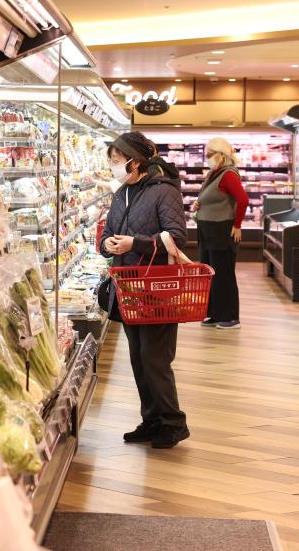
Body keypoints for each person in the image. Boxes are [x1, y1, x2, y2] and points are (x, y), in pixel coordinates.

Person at [100, 131, 190, 449]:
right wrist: (108, 244)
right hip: (129, 288)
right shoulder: (120, 194)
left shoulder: (164, 191)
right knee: (138, 357)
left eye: (116, 160)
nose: (113, 166)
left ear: (135, 162)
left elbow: (177, 237)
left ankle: (173, 423)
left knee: (155, 359)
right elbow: (108, 233)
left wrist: (134, 243)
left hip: (157, 288)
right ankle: (152, 420)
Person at [191, 137, 248, 330]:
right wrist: (200, 204)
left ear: (221, 155)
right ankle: (215, 314)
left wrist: (237, 225)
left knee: (223, 275)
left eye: (210, 154)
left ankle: (230, 317)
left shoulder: (228, 175)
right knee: (211, 275)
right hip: (209, 232)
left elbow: (243, 200)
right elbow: (214, 198)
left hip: (221, 232)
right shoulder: (215, 174)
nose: (207, 158)